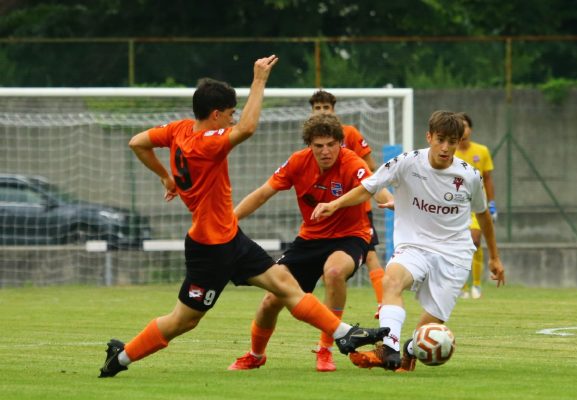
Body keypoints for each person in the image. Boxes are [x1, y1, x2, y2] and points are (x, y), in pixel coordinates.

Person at [98, 55, 388, 378]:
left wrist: (166, 177)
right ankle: (120, 358)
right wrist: (259, 80)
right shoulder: (205, 146)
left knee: (285, 286)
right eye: (230, 114)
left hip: (231, 238)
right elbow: (247, 128)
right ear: (216, 114)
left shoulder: (179, 130)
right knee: (184, 320)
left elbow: (137, 142)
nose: (232, 119)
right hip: (209, 249)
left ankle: (344, 335)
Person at [311, 110, 505, 373]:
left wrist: (494, 257)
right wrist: (334, 204)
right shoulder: (407, 162)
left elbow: (483, 216)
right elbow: (368, 187)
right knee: (392, 280)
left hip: (454, 254)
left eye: (452, 141)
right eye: (440, 140)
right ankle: (387, 349)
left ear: (459, 142)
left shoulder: (469, 176)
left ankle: (409, 350)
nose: (446, 148)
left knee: (429, 329)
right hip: (414, 246)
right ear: (429, 137)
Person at [228, 113, 390, 373]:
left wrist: (390, 201)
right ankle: (255, 355)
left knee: (334, 272)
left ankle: (326, 349)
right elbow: (262, 194)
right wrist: (229, 221)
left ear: (340, 143)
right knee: (271, 299)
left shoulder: (352, 162)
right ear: (309, 146)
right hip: (309, 239)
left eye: (331, 144)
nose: (325, 151)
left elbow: (374, 186)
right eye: (318, 146)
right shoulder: (297, 162)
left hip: (351, 236)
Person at [309, 89, 387, 317]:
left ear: (334, 110)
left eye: (326, 107)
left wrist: (366, 189)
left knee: (371, 254)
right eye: (317, 108)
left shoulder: (349, 133)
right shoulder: (312, 139)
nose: (322, 111)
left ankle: (383, 303)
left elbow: (370, 167)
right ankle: (329, 312)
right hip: (327, 210)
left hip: (356, 208)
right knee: (328, 266)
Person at [455, 112, 497, 299]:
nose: (463, 129)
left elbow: (487, 178)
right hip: (455, 205)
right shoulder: (449, 151)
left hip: (476, 205)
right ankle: (462, 287)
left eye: (465, 125)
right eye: (459, 125)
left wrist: (492, 203)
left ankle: (477, 285)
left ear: (470, 129)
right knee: (458, 246)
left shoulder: (482, 151)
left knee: (475, 241)